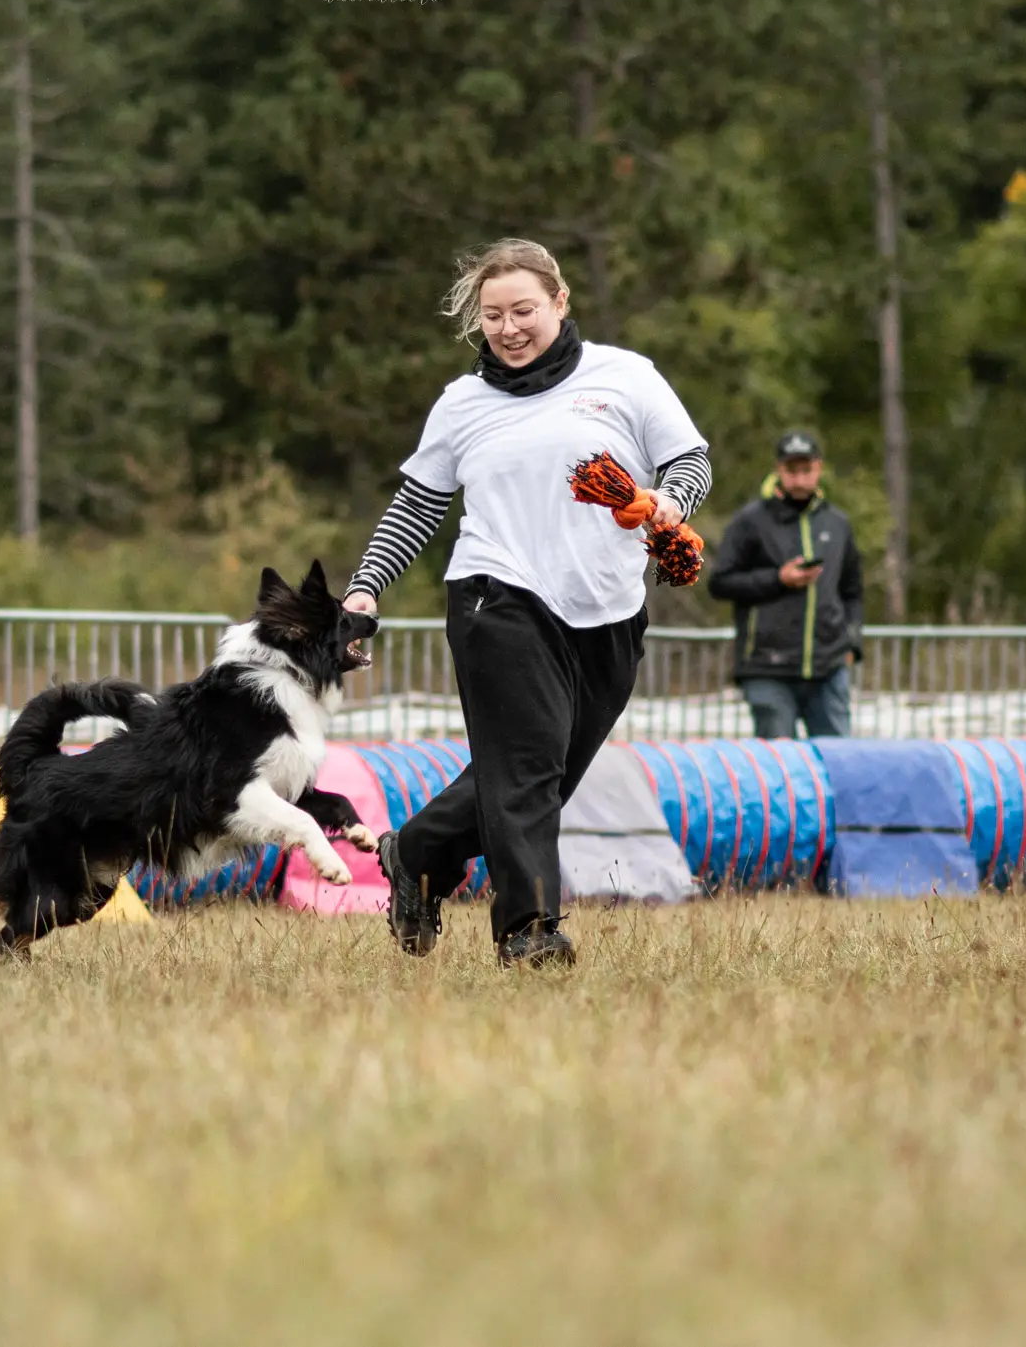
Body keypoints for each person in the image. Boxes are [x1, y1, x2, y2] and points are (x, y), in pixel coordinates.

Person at [341, 239, 711, 969]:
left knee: (539, 777)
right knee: (525, 773)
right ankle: (528, 931)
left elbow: (690, 461)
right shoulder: (462, 403)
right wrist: (364, 586)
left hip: (608, 610)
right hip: (496, 596)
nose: (508, 329)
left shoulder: (626, 377)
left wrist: (670, 501)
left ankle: (415, 853)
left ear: (560, 302)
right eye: (493, 316)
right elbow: (418, 504)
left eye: (524, 311)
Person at [706, 431, 864, 739]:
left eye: (807, 470)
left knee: (838, 762)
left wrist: (852, 642)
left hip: (828, 668)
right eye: (792, 471)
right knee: (781, 767)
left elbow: (852, 591)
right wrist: (778, 579)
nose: (800, 479)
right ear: (779, 470)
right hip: (767, 669)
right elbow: (719, 582)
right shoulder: (750, 521)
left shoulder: (837, 523)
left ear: (819, 469)